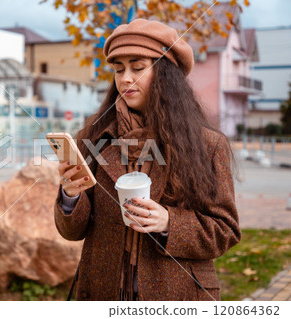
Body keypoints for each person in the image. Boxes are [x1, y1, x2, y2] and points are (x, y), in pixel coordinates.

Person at [53, 18, 241, 301]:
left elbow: (225, 230)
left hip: (177, 297)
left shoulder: (208, 145)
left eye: (138, 68)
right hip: (103, 294)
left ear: (166, 76)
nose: (125, 78)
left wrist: (169, 222)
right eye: (119, 70)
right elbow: (72, 232)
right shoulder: (93, 137)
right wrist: (70, 195)